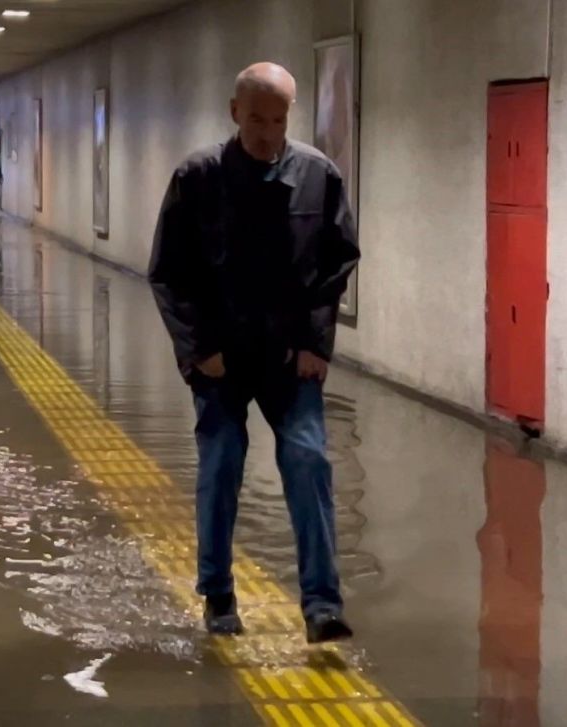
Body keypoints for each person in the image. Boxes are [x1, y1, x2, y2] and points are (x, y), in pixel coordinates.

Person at [148, 62, 360, 644]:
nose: (268, 131)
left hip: (290, 355)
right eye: (257, 118)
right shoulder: (198, 177)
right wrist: (198, 350)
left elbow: (337, 262)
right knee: (221, 465)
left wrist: (317, 343)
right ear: (235, 111)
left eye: (279, 119)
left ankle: (321, 604)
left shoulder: (318, 176)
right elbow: (168, 272)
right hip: (220, 356)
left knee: (309, 461)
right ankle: (217, 595)